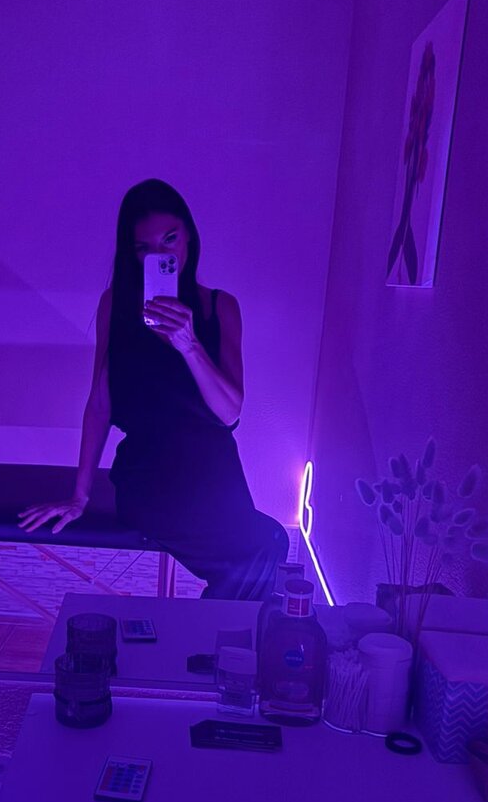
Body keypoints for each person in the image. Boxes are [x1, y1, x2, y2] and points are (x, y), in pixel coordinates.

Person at [17, 179, 288, 600]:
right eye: (145, 248)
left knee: (270, 542)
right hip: (150, 473)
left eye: (170, 239)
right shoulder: (115, 305)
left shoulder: (221, 307)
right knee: (257, 553)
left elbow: (230, 412)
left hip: (216, 470)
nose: (161, 254)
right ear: (132, 254)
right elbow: (100, 403)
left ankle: (210, 638)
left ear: (190, 236)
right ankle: (215, 639)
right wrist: (79, 495)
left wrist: (188, 344)